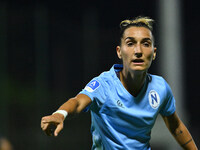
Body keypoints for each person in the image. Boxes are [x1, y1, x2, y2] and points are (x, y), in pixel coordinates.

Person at [41, 16, 198, 150]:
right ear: (119, 52)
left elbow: (176, 126)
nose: (138, 50)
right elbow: (77, 102)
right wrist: (60, 114)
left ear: (154, 53)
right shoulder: (103, 85)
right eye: (130, 43)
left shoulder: (160, 87)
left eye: (145, 43)